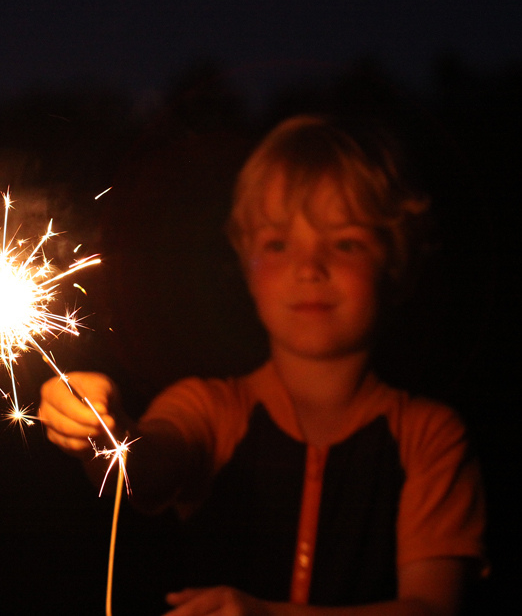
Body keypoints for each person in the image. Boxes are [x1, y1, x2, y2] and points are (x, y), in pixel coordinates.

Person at [40, 115, 486, 615]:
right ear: (246, 267)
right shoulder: (211, 409)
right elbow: (146, 467)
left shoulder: (430, 438)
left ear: (396, 261)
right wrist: (102, 431)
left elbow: (434, 608)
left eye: (346, 243)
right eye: (278, 244)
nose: (309, 268)